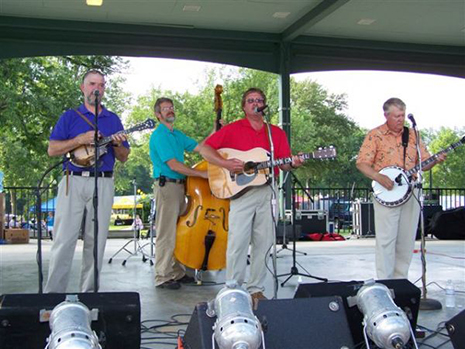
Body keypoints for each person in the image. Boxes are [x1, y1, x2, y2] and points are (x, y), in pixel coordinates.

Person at [199, 88, 303, 304]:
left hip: (267, 190)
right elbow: (205, 149)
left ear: (264, 105)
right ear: (244, 106)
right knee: (238, 242)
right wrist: (226, 163)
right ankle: (233, 288)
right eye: (251, 100)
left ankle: (256, 288)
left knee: (264, 242)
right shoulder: (233, 129)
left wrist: (292, 163)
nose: (256, 103)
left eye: (260, 100)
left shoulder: (276, 133)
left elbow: (283, 163)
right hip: (241, 193)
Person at [45, 69, 130, 293]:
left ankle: (90, 297)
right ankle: (53, 296)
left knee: (97, 242)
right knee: (64, 240)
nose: (97, 89)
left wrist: (117, 144)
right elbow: (52, 149)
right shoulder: (70, 116)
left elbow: (123, 157)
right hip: (72, 180)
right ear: (83, 88)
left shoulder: (113, 119)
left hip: (102, 182)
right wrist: (79, 140)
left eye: (101, 85)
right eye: (92, 84)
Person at [356, 97, 445, 279]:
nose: (400, 119)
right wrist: (378, 176)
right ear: (386, 115)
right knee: (386, 240)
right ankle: (385, 283)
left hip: (410, 191)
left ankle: (400, 283)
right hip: (386, 193)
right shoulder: (375, 134)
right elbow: (362, 163)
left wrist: (434, 160)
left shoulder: (413, 134)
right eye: (396, 116)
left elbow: (423, 163)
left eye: (403, 115)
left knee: (406, 241)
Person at [149, 97, 209, 290]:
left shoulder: (177, 134)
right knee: (166, 233)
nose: (170, 111)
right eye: (165, 109)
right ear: (158, 115)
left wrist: (217, 131)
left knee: (180, 230)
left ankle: (177, 272)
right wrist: (201, 174)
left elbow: (200, 147)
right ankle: (163, 276)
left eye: (171, 107)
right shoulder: (159, 135)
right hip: (167, 187)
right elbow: (174, 165)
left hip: (180, 187)